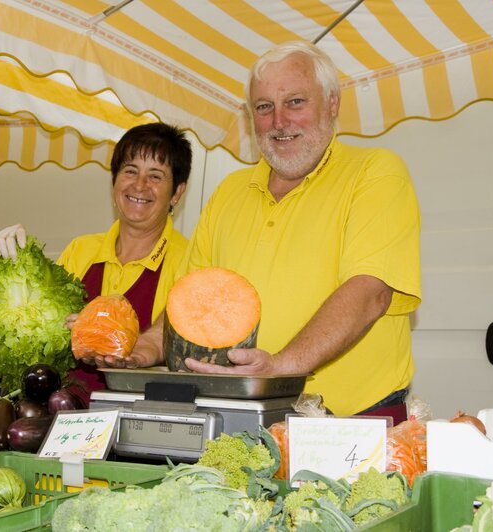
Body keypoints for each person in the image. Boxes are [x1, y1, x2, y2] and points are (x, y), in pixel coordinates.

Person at [83, 41, 421, 424]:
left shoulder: (375, 172)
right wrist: (144, 347)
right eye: (264, 107)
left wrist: (281, 367)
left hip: (350, 421)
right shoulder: (229, 191)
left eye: (295, 102)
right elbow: (190, 304)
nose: (279, 121)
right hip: (245, 423)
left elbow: (369, 292)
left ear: (331, 104)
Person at [0, 122, 193, 404]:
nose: (140, 185)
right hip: (62, 417)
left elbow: (181, 352)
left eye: (155, 176)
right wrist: (21, 271)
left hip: (137, 423)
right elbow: (40, 332)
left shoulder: (189, 260)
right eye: (130, 170)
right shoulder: (81, 249)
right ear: (114, 180)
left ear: (177, 192)